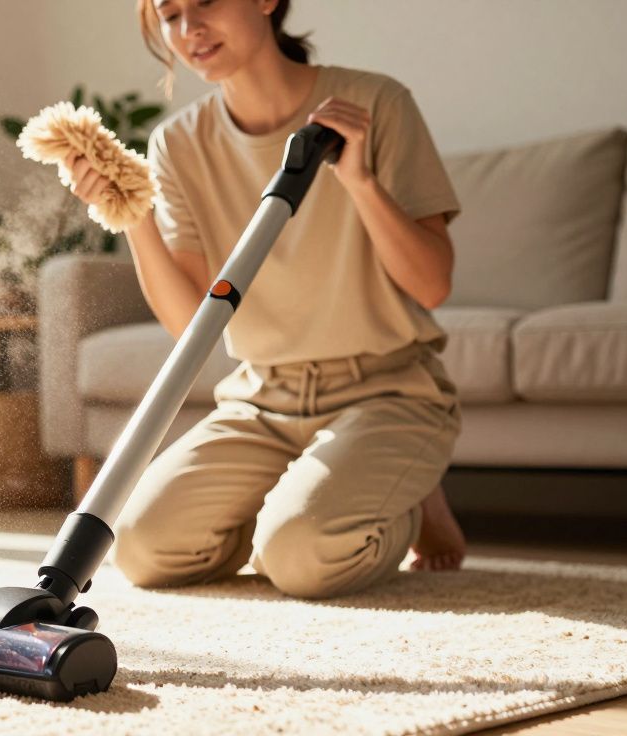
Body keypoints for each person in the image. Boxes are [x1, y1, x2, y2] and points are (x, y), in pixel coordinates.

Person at [65, 0, 467, 599]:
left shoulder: (375, 103)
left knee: (303, 560)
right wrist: (132, 218)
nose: (189, 29)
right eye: (170, 15)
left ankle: (406, 502)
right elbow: (191, 329)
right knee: (145, 548)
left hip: (387, 390)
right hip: (262, 400)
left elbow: (433, 283)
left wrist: (358, 180)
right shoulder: (179, 142)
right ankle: (311, 503)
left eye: (204, 2)